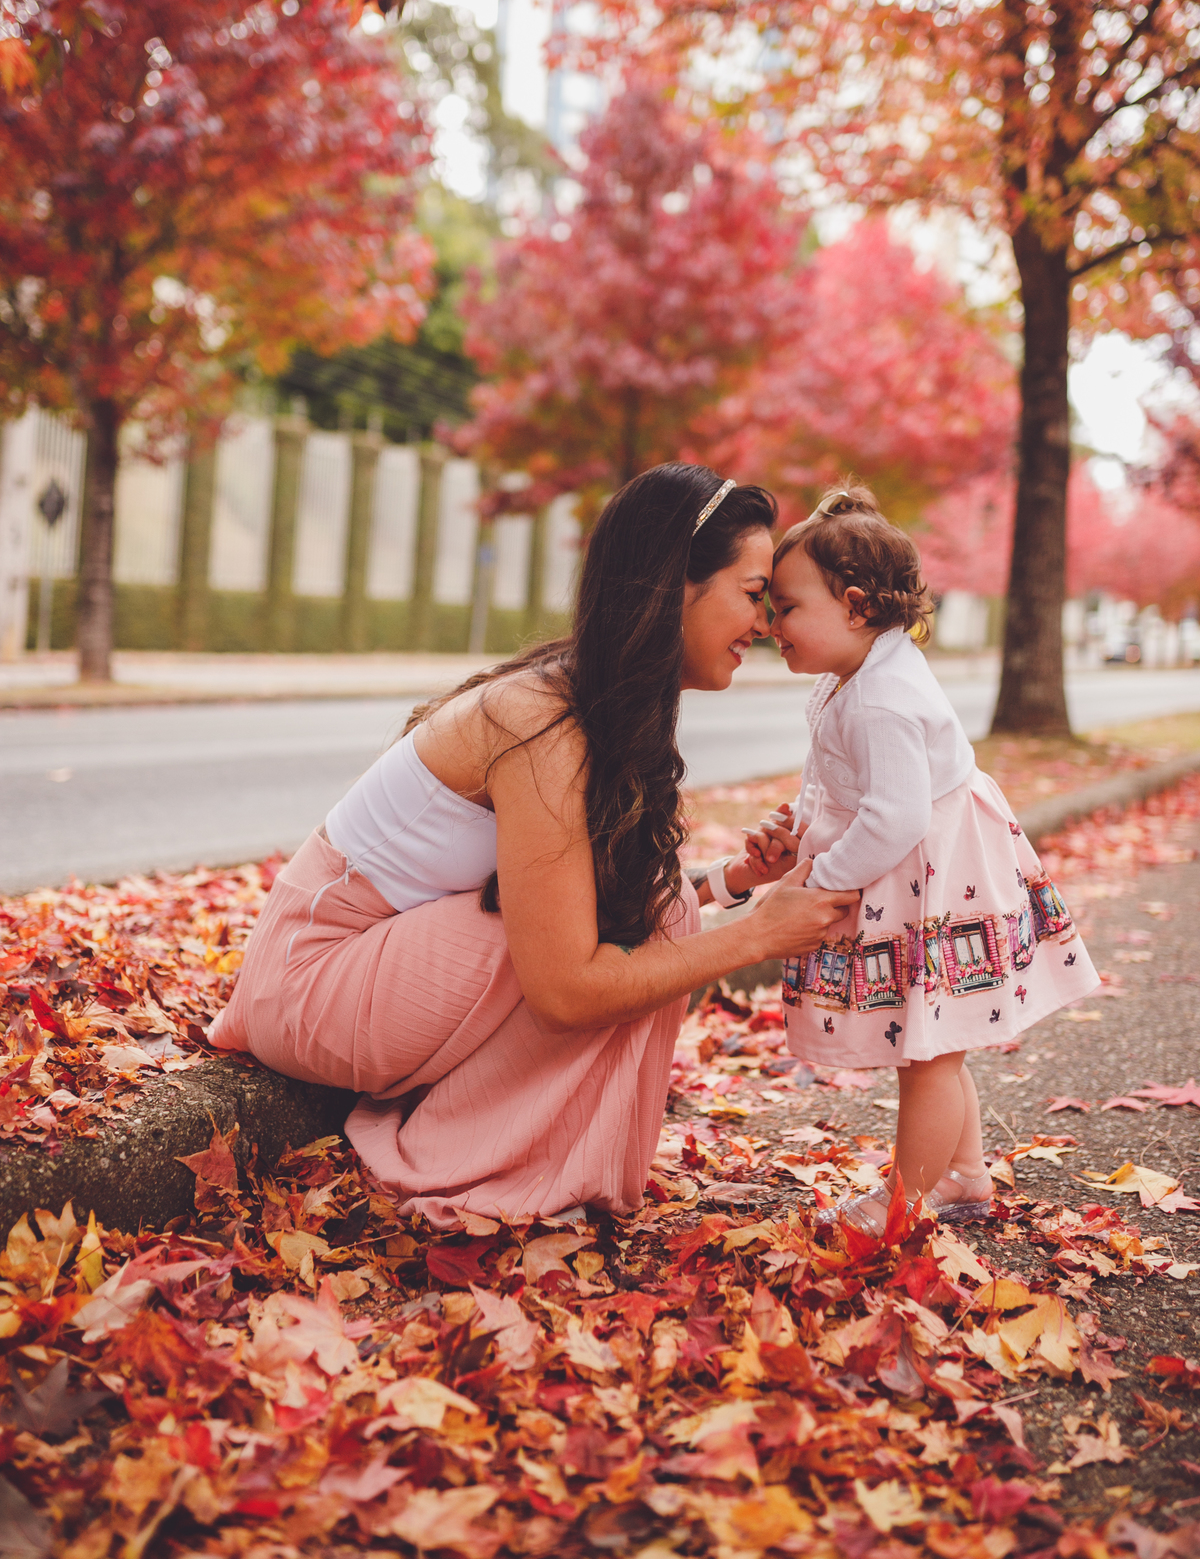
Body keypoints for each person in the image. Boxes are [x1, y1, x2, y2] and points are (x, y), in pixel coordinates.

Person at [207, 464, 852, 1226]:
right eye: (751, 596)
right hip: (307, 982)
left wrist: (723, 882)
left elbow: (591, 879)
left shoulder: (595, 703)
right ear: (673, 584)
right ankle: (474, 1162)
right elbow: (566, 989)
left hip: (368, 965)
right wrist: (756, 936)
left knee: (656, 913)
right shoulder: (540, 721)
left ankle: (549, 1160)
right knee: (619, 937)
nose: (768, 626)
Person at [743, 483, 1099, 1235]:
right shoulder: (856, 678)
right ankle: (965, 1176)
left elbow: (895, 815)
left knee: (929, 1048)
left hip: (933, 874)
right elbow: (841, 780)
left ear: (856, 605)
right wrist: (801, 824)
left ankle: (903, 1203)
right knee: (934, 1040)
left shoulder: (882, 697)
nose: (773, 624)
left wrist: (825, 880)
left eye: (786, 606)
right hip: (929, 867)